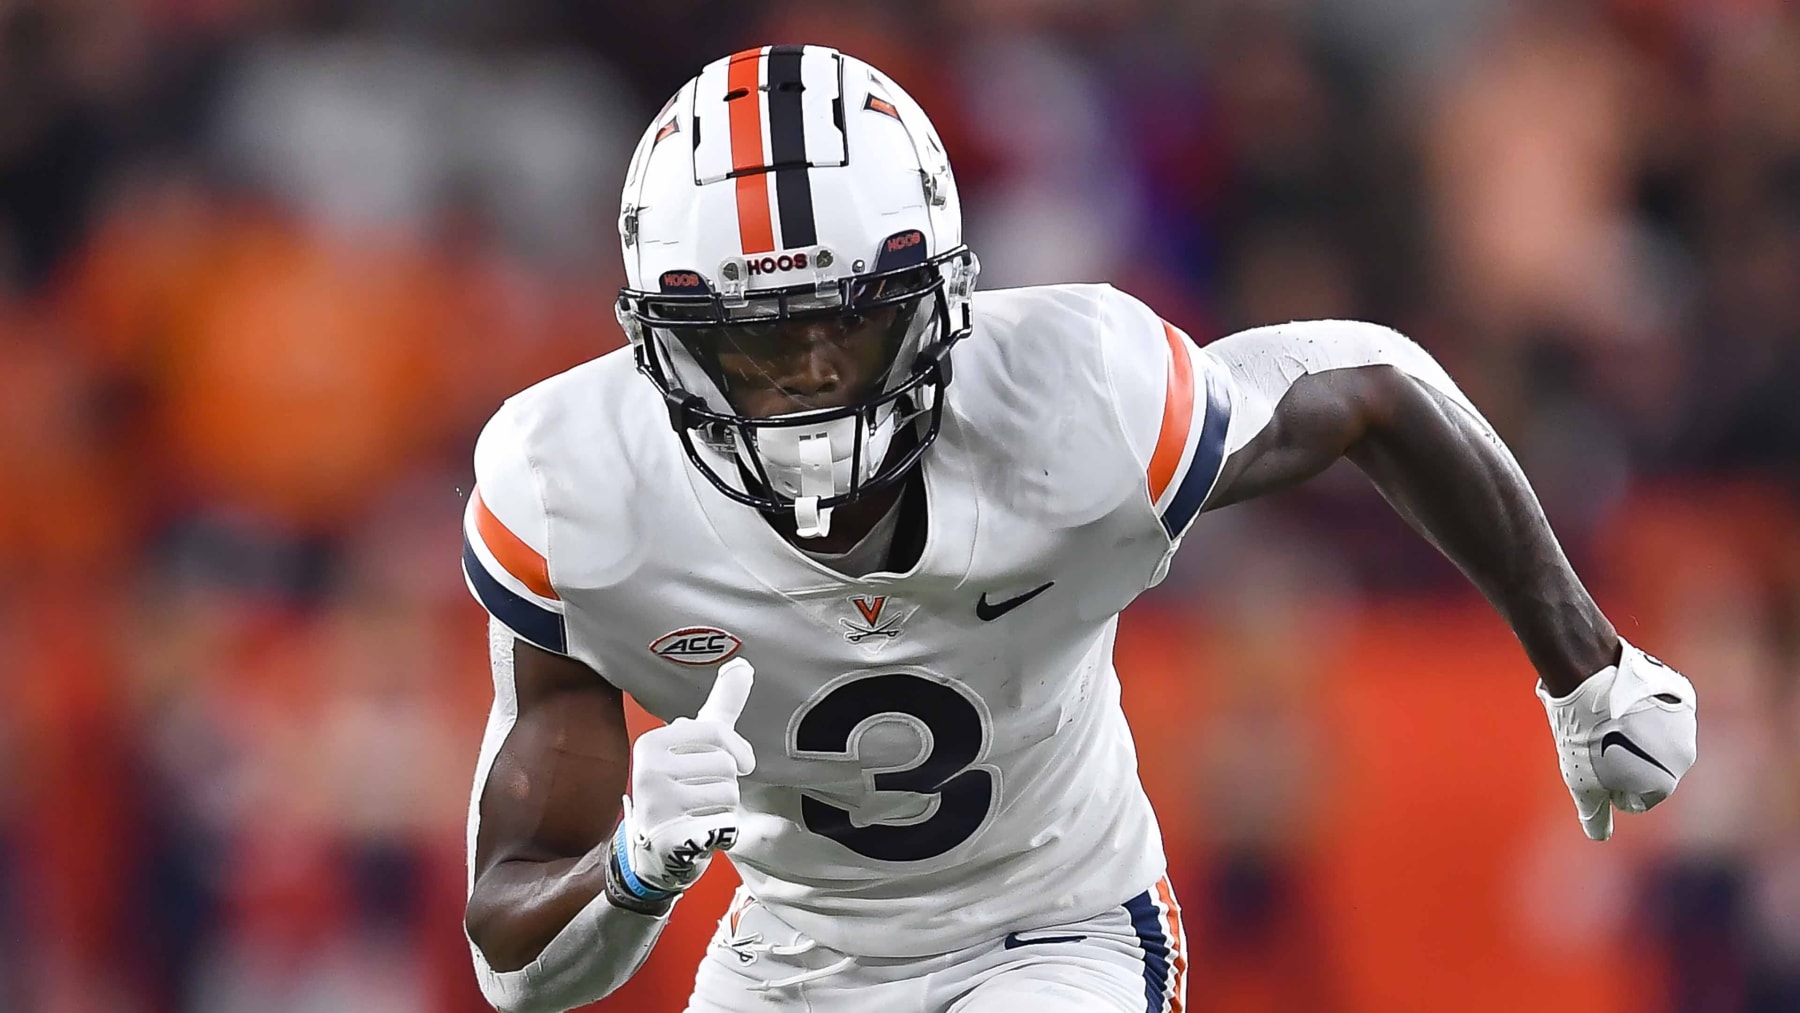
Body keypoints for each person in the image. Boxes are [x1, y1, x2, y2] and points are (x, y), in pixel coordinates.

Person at [458, 45, 1698, 1013]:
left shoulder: (1078, 398)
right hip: (793, 963)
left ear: (947, 301)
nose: (817, 386)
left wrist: (1586, 665)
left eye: (850, 324)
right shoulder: (574, 493)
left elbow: (1364, 384)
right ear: (662, 347)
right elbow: (518, 961)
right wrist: (636, 866)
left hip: (1057, 926)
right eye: (761, 347)